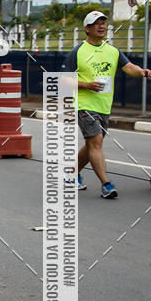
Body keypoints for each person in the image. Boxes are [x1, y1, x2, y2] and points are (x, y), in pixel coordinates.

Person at [63, 10, 151, 198]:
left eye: (103, 22)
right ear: (87, 29)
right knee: (96, 142)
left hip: (104, 106)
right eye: (97, 23)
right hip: (84, 104)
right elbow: (62, 79)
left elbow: (129, 67)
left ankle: (71, 175)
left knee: (91, 144)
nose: (102, 26)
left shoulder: (112, 51)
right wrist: (86, 85)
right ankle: (106, 184)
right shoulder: (78, 52)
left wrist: (142, 72)